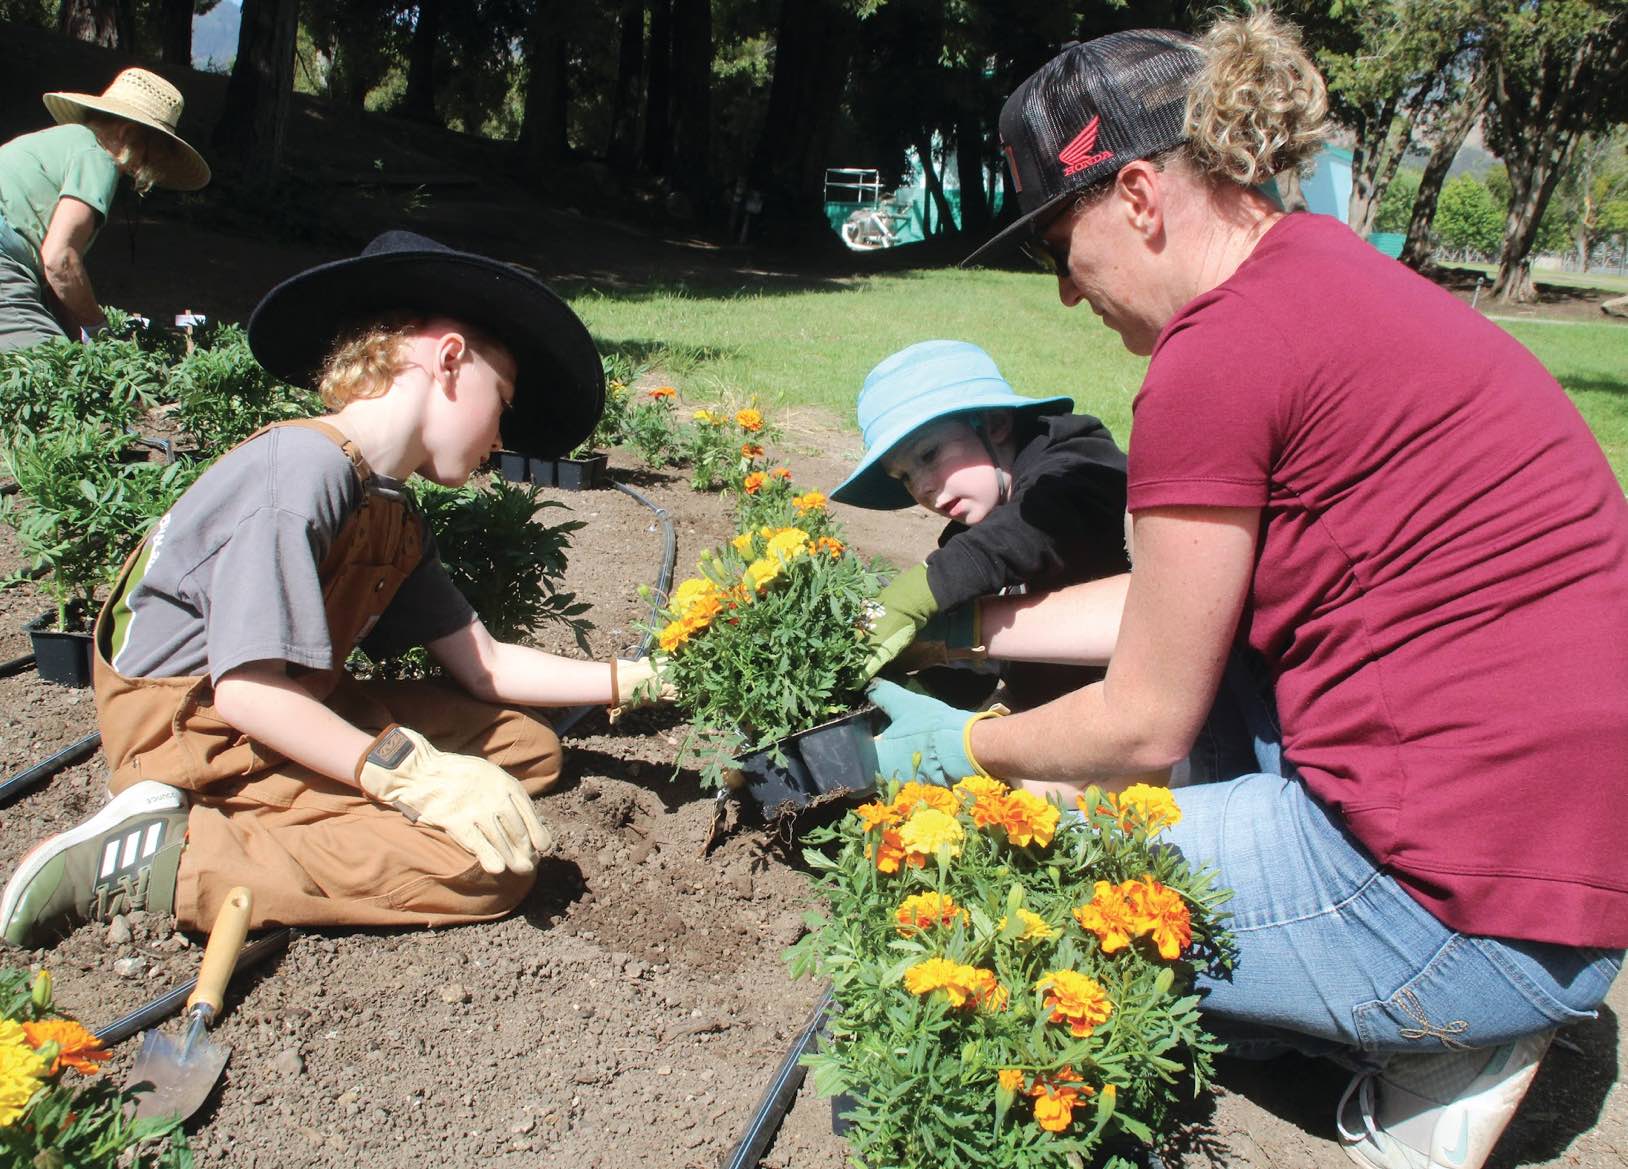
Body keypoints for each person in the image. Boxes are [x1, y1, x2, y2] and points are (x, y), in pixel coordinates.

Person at [867, 13, 1627, 1169]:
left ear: (1133, 195)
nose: (1067, 297)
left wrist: (963, 752)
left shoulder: (1214, 357)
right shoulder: (1323, 278)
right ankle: (1421, 1004)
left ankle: (1435, 1041)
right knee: (1194, 710)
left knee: (1010, 864)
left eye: (1055, 249)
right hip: (1556, 861)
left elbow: (1141, 716)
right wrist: (950, 629)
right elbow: (1173, 610)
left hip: (1456, 915)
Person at [0, 230, 664, 945]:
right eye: (500, 401)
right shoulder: (301, 472)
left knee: (528, 750)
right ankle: (166, 855)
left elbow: (485, 665)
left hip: (293, 708)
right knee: (487, 870)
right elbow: (245, 692)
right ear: (447, 361)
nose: (500, 438)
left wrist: (630, 677)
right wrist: (407, 774)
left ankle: (287, 809)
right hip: (199, 736)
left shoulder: (387, 507)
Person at [831, 338, 1130, 711]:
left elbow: (1028, 530)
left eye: (929, 454)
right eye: (904, 476)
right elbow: (973, 675)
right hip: (1064, 711)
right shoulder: (976, 535)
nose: (920, 487)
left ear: (997, 424)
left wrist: (912, 598)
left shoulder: (1075, 466)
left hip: (1160, 717)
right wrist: (902, 685)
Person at [0, 68, 209, 349]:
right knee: (55, 381)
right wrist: (101, 330)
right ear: (128, 133)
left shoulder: (63, 142)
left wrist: (85, 343)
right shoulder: (98, 157)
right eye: (154, 150)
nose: (152, 166)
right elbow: (59, 260)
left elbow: (56, 284)